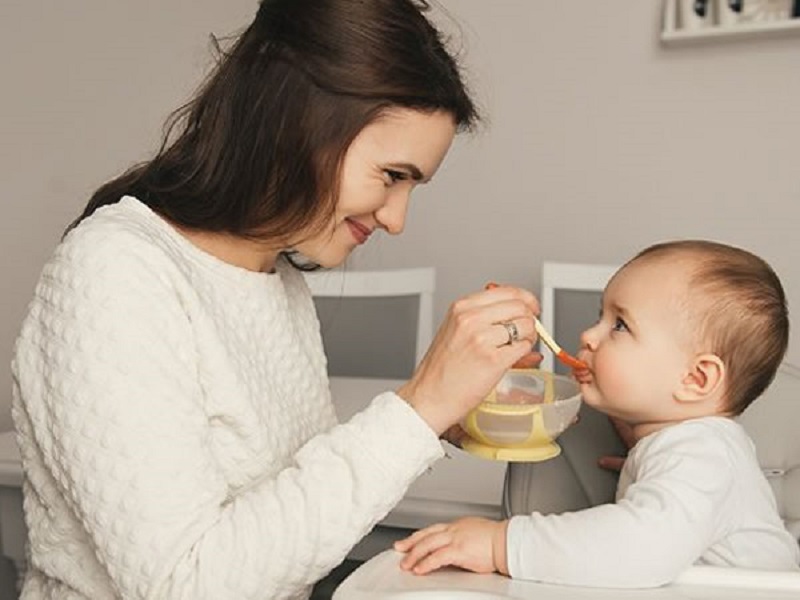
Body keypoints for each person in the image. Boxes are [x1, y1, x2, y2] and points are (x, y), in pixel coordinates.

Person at [10, 1, 544, 598]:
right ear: (297, 124)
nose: (397, 218)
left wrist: (440, 414)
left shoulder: (274, 276)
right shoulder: (114, 270)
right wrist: (417, 409)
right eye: (392, 176)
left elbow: (280, 507)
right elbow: (187, 583)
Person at [395, 240, 800, 588]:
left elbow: (641, 549)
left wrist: (500, 544)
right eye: (600, 316)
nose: (589, 335)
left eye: (620, 325)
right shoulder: (691, 447)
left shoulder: (701, 453)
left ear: (696, 378)